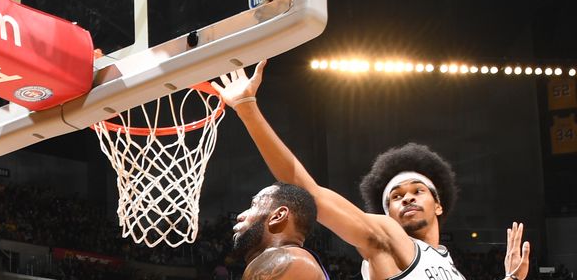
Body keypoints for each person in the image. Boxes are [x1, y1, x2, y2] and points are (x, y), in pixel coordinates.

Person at [213, 61, 531, 280]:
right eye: (396, 196)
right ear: (386, 213)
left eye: (417, 191)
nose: (407, 198)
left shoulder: (447, 265)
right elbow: (312, 195)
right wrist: (248, 109)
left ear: (438, 204)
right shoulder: (388, 238)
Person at [233, 182, 328, 279]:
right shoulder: (301, 261)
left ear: (278, 216)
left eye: (253, 205)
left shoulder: (287, 261)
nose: (239, 216)